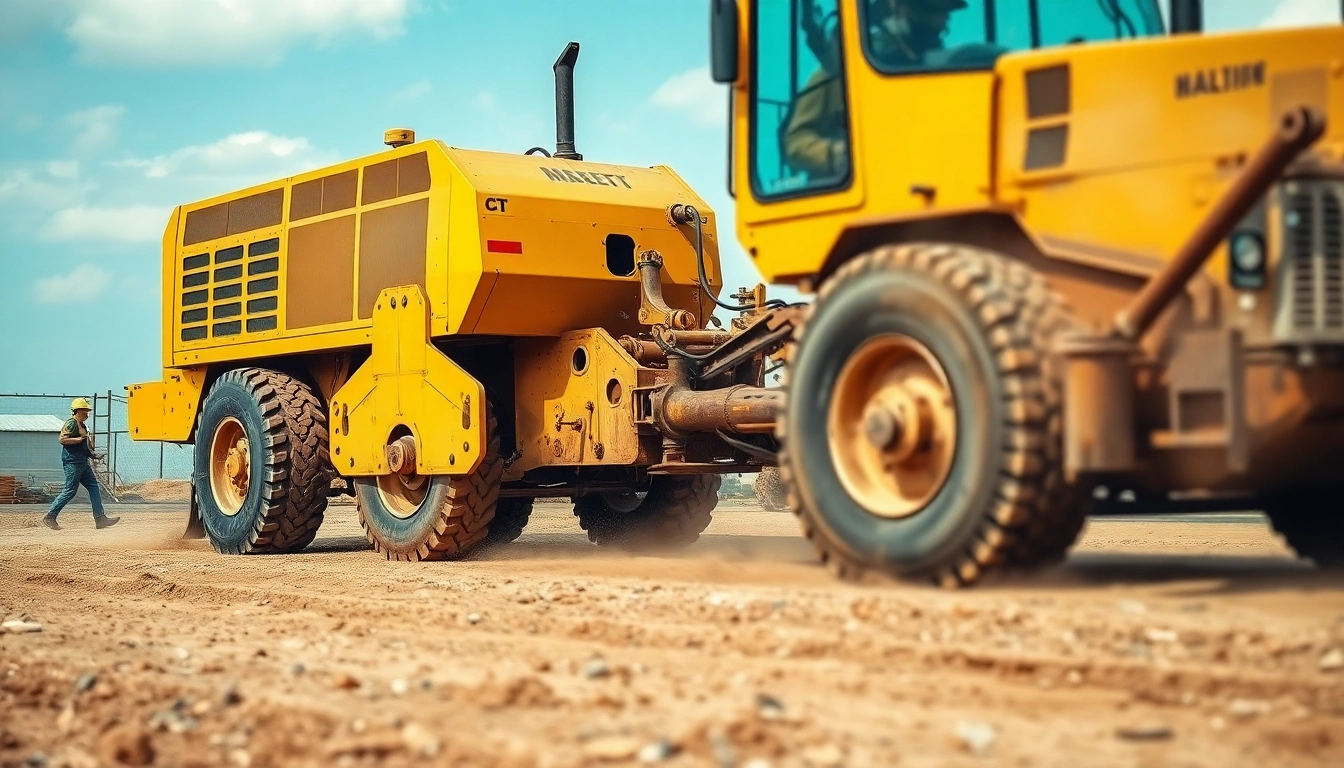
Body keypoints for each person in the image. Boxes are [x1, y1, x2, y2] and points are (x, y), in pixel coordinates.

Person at [782, 0, 966, 179]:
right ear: (897, 7)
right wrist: (839, 154)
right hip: (851, 199)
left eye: (943, 13)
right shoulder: (843, 69)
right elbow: (793, 142)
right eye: (926, 10)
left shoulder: (943, 74)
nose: (935, 21)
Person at [42, 398, 119, 530]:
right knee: (70, 491)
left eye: (88, 411)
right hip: (72, 462)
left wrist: (93, 455)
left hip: (82, 462)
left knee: (94, 487)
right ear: (77, 411)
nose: (87, 414)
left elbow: (83, 446)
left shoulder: (83, 425)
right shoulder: (71, 423)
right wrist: (78, 439)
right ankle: (50, 516)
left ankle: (100, 518)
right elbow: (62, 439)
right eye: (85, 411)